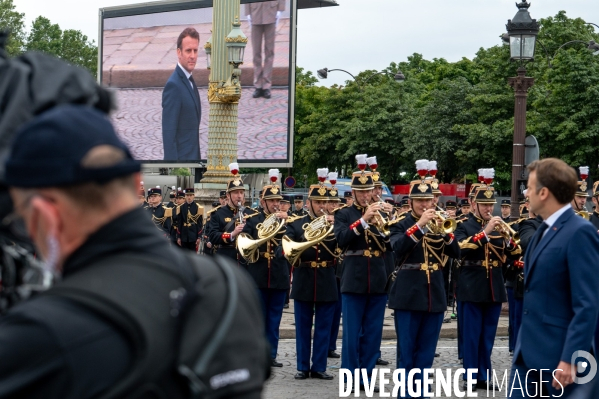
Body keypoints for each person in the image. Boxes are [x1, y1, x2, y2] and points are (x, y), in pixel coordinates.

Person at [0, 105, 268, 398]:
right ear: (134, 183)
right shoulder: (230, 284)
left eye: (22, 221)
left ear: (44, 216)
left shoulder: (40, 333)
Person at [509, 158, 599, 398]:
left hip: (558, 359)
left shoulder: (580, 231)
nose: (526, 193)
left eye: (529, 187)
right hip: (527, 355)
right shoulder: (543, 231)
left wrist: (571, 357)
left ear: (544, 192)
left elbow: (587, 303)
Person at [389, 177, 460, 396]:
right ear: (410, 202)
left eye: (427, 200)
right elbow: (398, 248)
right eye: (419, 200)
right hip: (408, 293)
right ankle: (405, 392)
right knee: (407, 350)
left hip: (434, 293)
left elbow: (456, 253)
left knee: (427, 350)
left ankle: (421, 390)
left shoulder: (438, 224)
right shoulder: (400, 224)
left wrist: (447, 234)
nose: (424, 205)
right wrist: (419, 226)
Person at [455, 180, 521, 391]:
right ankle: (471, 377)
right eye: (483, 204)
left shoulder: (499, 225)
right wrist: (485, 233)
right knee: (472, 336)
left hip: (494, 286)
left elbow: (514, 253)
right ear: (474, 204)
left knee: (487, 337)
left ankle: (484, 375)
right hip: (471, 286)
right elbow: (460, 249)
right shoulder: (464, 225)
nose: (487, 208)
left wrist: (510, 242)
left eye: (490, 204)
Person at [334, 168, 389, 390]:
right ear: (353, 192)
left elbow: (389, 244)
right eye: (362, 191)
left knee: (373, 334)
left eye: (369, 191)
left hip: (377, 278)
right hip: (353, 279)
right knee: (351, 334)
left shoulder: (381, 215)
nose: (367, 195)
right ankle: (349, 379)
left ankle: (366, 378)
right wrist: (364, 221)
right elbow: (341, 239)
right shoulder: (343, 214)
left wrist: (385, 222)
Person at [284, 181, 339, 380]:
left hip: (326, 277)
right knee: (303, 326)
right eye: (318, 202)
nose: (323, 206)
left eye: (325, 201)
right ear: (309, 203)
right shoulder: (296, 223)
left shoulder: (334, 224)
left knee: (324, 327)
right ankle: (302, 366)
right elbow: (288, 248)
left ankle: (319, 366)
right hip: (304, 277)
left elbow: (340, 249)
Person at [242, 172, 290, 367]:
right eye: (271, 201)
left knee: (275, 318)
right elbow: (244, 241)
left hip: (278, 273)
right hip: (259, 273)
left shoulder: (285, 221)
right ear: (263, 202)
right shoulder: (253, 220)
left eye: (277, 200)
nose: (275, 204)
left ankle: (271, 354)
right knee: (259, 317)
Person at [162, 28, 201, 161]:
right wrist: (174, 170)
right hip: (182, 166)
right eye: (188, 50)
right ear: (179, 52)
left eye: (195, 51)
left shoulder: (188, 79)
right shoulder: (173, 86)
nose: (193, 56)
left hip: (193, 161)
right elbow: (169, 134)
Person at [207, 166, 255, 261]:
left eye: (241, 192)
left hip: (245, 258)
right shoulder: (218, 213)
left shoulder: (250, 213)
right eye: (236, 193)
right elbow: (213, 236)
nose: (239, 196)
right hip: (226, 257)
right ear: (228, 195)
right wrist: (232, 234)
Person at [244, 0, 286, 99]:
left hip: (271, 11)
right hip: (255, 12)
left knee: (269, 52)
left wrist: (280, 9)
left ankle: (266, 85)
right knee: (256, 53)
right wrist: (247, 12)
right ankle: (258, 85)